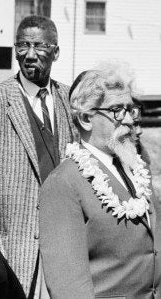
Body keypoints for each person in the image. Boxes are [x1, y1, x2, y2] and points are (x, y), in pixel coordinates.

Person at [0, 15, 78, 294]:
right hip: (17, 259)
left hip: (67, 252)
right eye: (22, 45)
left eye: (39, 46)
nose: (29, 54)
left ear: (56, 51)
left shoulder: (72, 100)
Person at [40, 63, 161, 298]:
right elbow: (69, 287)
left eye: (131, 110)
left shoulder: (135, 167)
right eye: (117, 110)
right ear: (86, 118)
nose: (128, 120)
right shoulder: (63, 183)